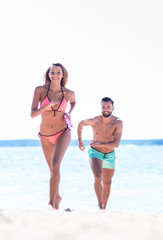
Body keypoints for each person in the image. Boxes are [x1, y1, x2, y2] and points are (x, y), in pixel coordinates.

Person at [31, 63, 76, 209]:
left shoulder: (68, 93)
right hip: (45, 135)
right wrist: (47, 106)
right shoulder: (40, 90)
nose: (55, 75)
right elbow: (32, 114)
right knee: (52, 169)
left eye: (58, 72)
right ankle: (57, 198)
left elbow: (74, 102)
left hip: (63, 132)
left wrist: (70, 111)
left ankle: (50, 203)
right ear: (49, 74)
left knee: (56, 165)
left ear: (63, 75)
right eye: (53, 72)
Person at [77, 97, 123, 209]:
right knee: (98, 177)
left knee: (107, 182)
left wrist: (101, 143)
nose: (106, 109)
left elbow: (116, 144)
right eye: (103, 107)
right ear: (100, 108)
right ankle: (99, 204)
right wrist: (80, 140)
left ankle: (104, 208)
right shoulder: (95, 120)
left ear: (113, 108)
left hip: (109, 154)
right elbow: (80, 123)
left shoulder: (118, 122)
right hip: (95, 152)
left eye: (108, 107)